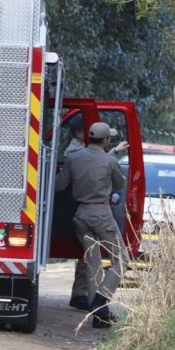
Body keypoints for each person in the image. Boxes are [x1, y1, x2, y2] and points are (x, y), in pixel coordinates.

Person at [56, 121, 128, 328]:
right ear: (106, 140)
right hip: (101, 214)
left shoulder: (73, 158)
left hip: (81, 215)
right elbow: (120, 184)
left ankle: (99, 315)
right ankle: (101, 300)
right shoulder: (110, 160)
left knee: (92, 262)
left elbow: (60, 185)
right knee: (121, 259)